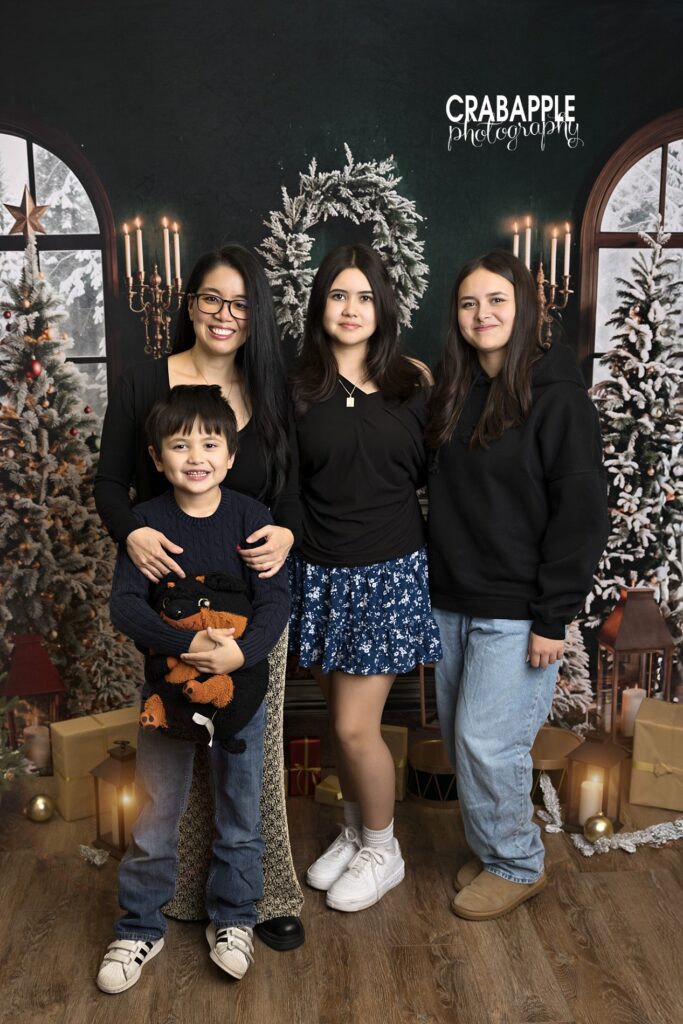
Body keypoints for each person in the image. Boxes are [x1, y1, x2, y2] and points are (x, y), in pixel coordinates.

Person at [94, 244, 304, 951]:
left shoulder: (270, 386)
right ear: (189, 303)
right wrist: (131, 537)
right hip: (168, 608)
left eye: (241, 303)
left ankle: (251, 903)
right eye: (212, 298)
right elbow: (108, 483)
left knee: (248, 777)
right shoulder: (145, 382)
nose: (225, 314)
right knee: (167, 774)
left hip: (252, 610)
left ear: (258, 314)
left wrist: (285, 538)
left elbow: (293, 494)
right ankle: (164, 912)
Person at [425, 249, 609, 920]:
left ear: (525, 308)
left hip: (519, 610)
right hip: (451, 599)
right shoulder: (454, 391)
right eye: (469, 303)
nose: (482, 314)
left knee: (486, 741)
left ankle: (518, 862)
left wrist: (551, 619)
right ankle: (491, 843)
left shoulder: (558, 399)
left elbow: (581, 517)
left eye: (496, 301)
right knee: (458, 736)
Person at [289, 243, 442, 912]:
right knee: (334, 717)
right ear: (320, 304)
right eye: (337, 295)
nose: (350, 309)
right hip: (318, 575)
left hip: (386, 574)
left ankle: (385, 849)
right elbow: (285, 484)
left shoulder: (415, 384)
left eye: (362, 297)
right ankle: (353, 832)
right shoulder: (294, 387)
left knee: (356, 728)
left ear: (382, 306)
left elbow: (440, 480)